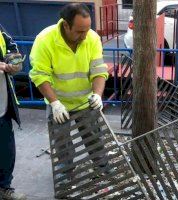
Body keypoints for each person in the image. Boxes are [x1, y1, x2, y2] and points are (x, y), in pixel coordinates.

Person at [29, 3, 109, 191]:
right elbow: (40, 75)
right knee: (62, 142)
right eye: (80, 31)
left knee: (94, 139)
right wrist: (55, 103)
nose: (84, 36)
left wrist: (97, 95)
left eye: (87, 30)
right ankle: (66, 175)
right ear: (66, 25)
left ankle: (103, 169)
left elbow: (98, 69)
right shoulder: (45, 40)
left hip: (85, 101)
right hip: (59, 102)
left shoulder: (92, 38)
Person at [0, 24, 26, 200]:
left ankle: (4, 187)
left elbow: (11, 47)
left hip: (2, 105)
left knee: (5, 150)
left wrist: (13, 61)